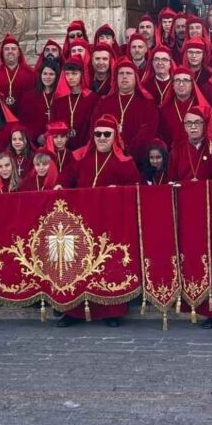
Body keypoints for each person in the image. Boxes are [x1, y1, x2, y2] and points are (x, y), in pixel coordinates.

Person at [56, 115, 140, 328]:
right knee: (76, 267)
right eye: (98, 134)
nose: (102, 138)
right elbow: (66, 177)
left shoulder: (125, 162)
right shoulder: (80, 157)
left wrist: (118, 191)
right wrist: (60, 185)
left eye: (106, 134)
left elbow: (135, 189)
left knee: (108, 266)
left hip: (109, 223)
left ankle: (111, 311)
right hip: (81, 220)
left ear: (115, 136)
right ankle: (73, 311)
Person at [90, 59, 159, 161]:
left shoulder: (147, 103)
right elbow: (95, 127)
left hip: (137, 157)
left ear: (136, 78)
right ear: (116, 78)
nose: (124, 76)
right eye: (121, 73)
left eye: (128, 73)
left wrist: (128, 151)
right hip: (108, 156)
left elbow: (148, 132)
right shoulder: (104, 103)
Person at [51, 58, 97, 150]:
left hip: (85, 145)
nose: (70, 77)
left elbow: (93, 125)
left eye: (74, 74)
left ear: (82, 74)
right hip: (62, 146)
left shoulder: (92, 98)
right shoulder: (59, 99)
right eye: (67, 74)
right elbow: (53, 123)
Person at [0, 34, 35, 108]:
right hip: (0, 114)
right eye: (7, 49)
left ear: (19, 53)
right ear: (2, 53)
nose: (10, 51)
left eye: (13, 49)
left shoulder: (31, 74)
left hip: (24, 113)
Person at [16, 59, 61, 144]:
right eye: (45, 74)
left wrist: (50, 136)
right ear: (40, 75)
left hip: (58, 141)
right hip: (34, 142)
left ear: (57, 76)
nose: (47, 77)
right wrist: (37, 137)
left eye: (51, 74)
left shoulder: (61, 96)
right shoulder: (29, 97)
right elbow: (24, 122)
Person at [166, 106, 212, 182]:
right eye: (189, 123)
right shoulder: (177, 150)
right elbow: (172, 180)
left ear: (204, 125)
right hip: (184, 189)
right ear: (184, 127)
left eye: (197, 122)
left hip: (207, 188)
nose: (193, 127)